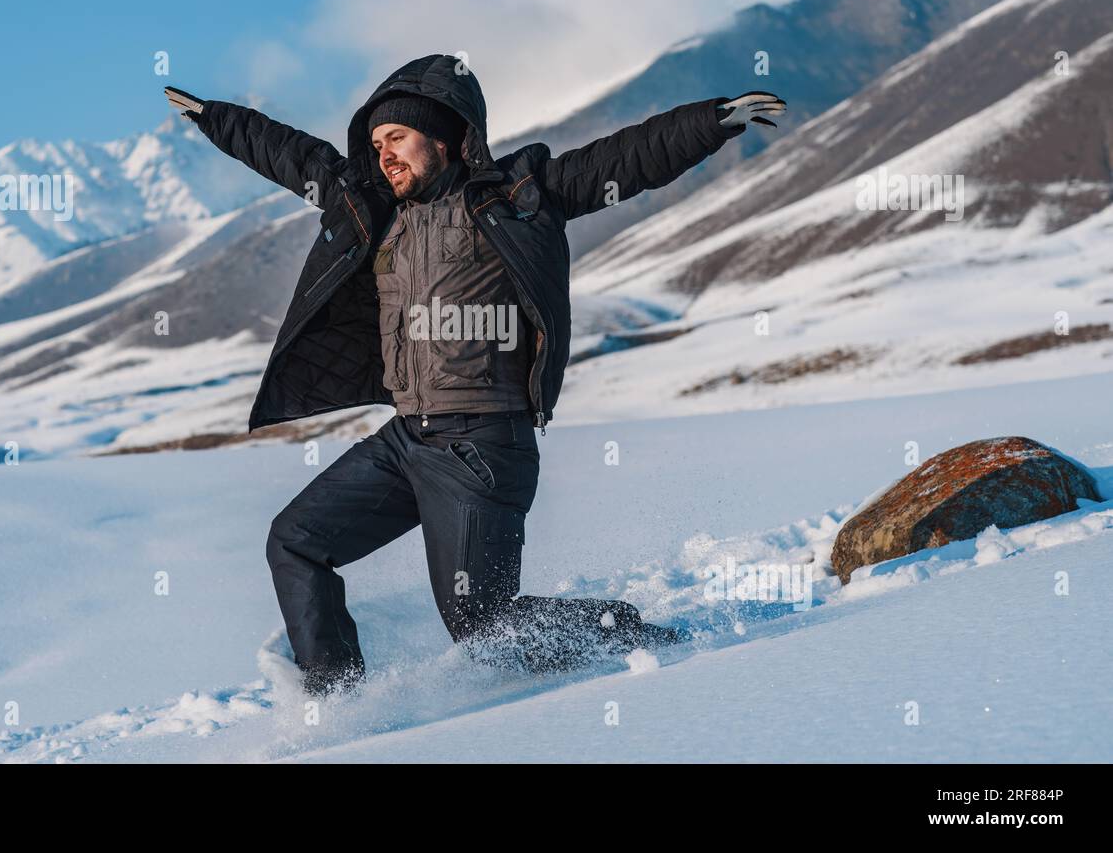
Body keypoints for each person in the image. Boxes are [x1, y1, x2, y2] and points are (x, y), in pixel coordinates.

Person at [164, 55, 785, 696]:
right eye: (376, 144)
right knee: (295, 542)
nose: (385, 157)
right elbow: (299, 159)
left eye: (397, 139)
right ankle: (337, 702)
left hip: (481, 445)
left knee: (483, 626)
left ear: (444, 136)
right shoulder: (375, 209)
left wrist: (710, 123)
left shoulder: (512, 199)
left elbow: (619, 162)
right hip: (407, 440)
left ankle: (622, 635)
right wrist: (217, 120)